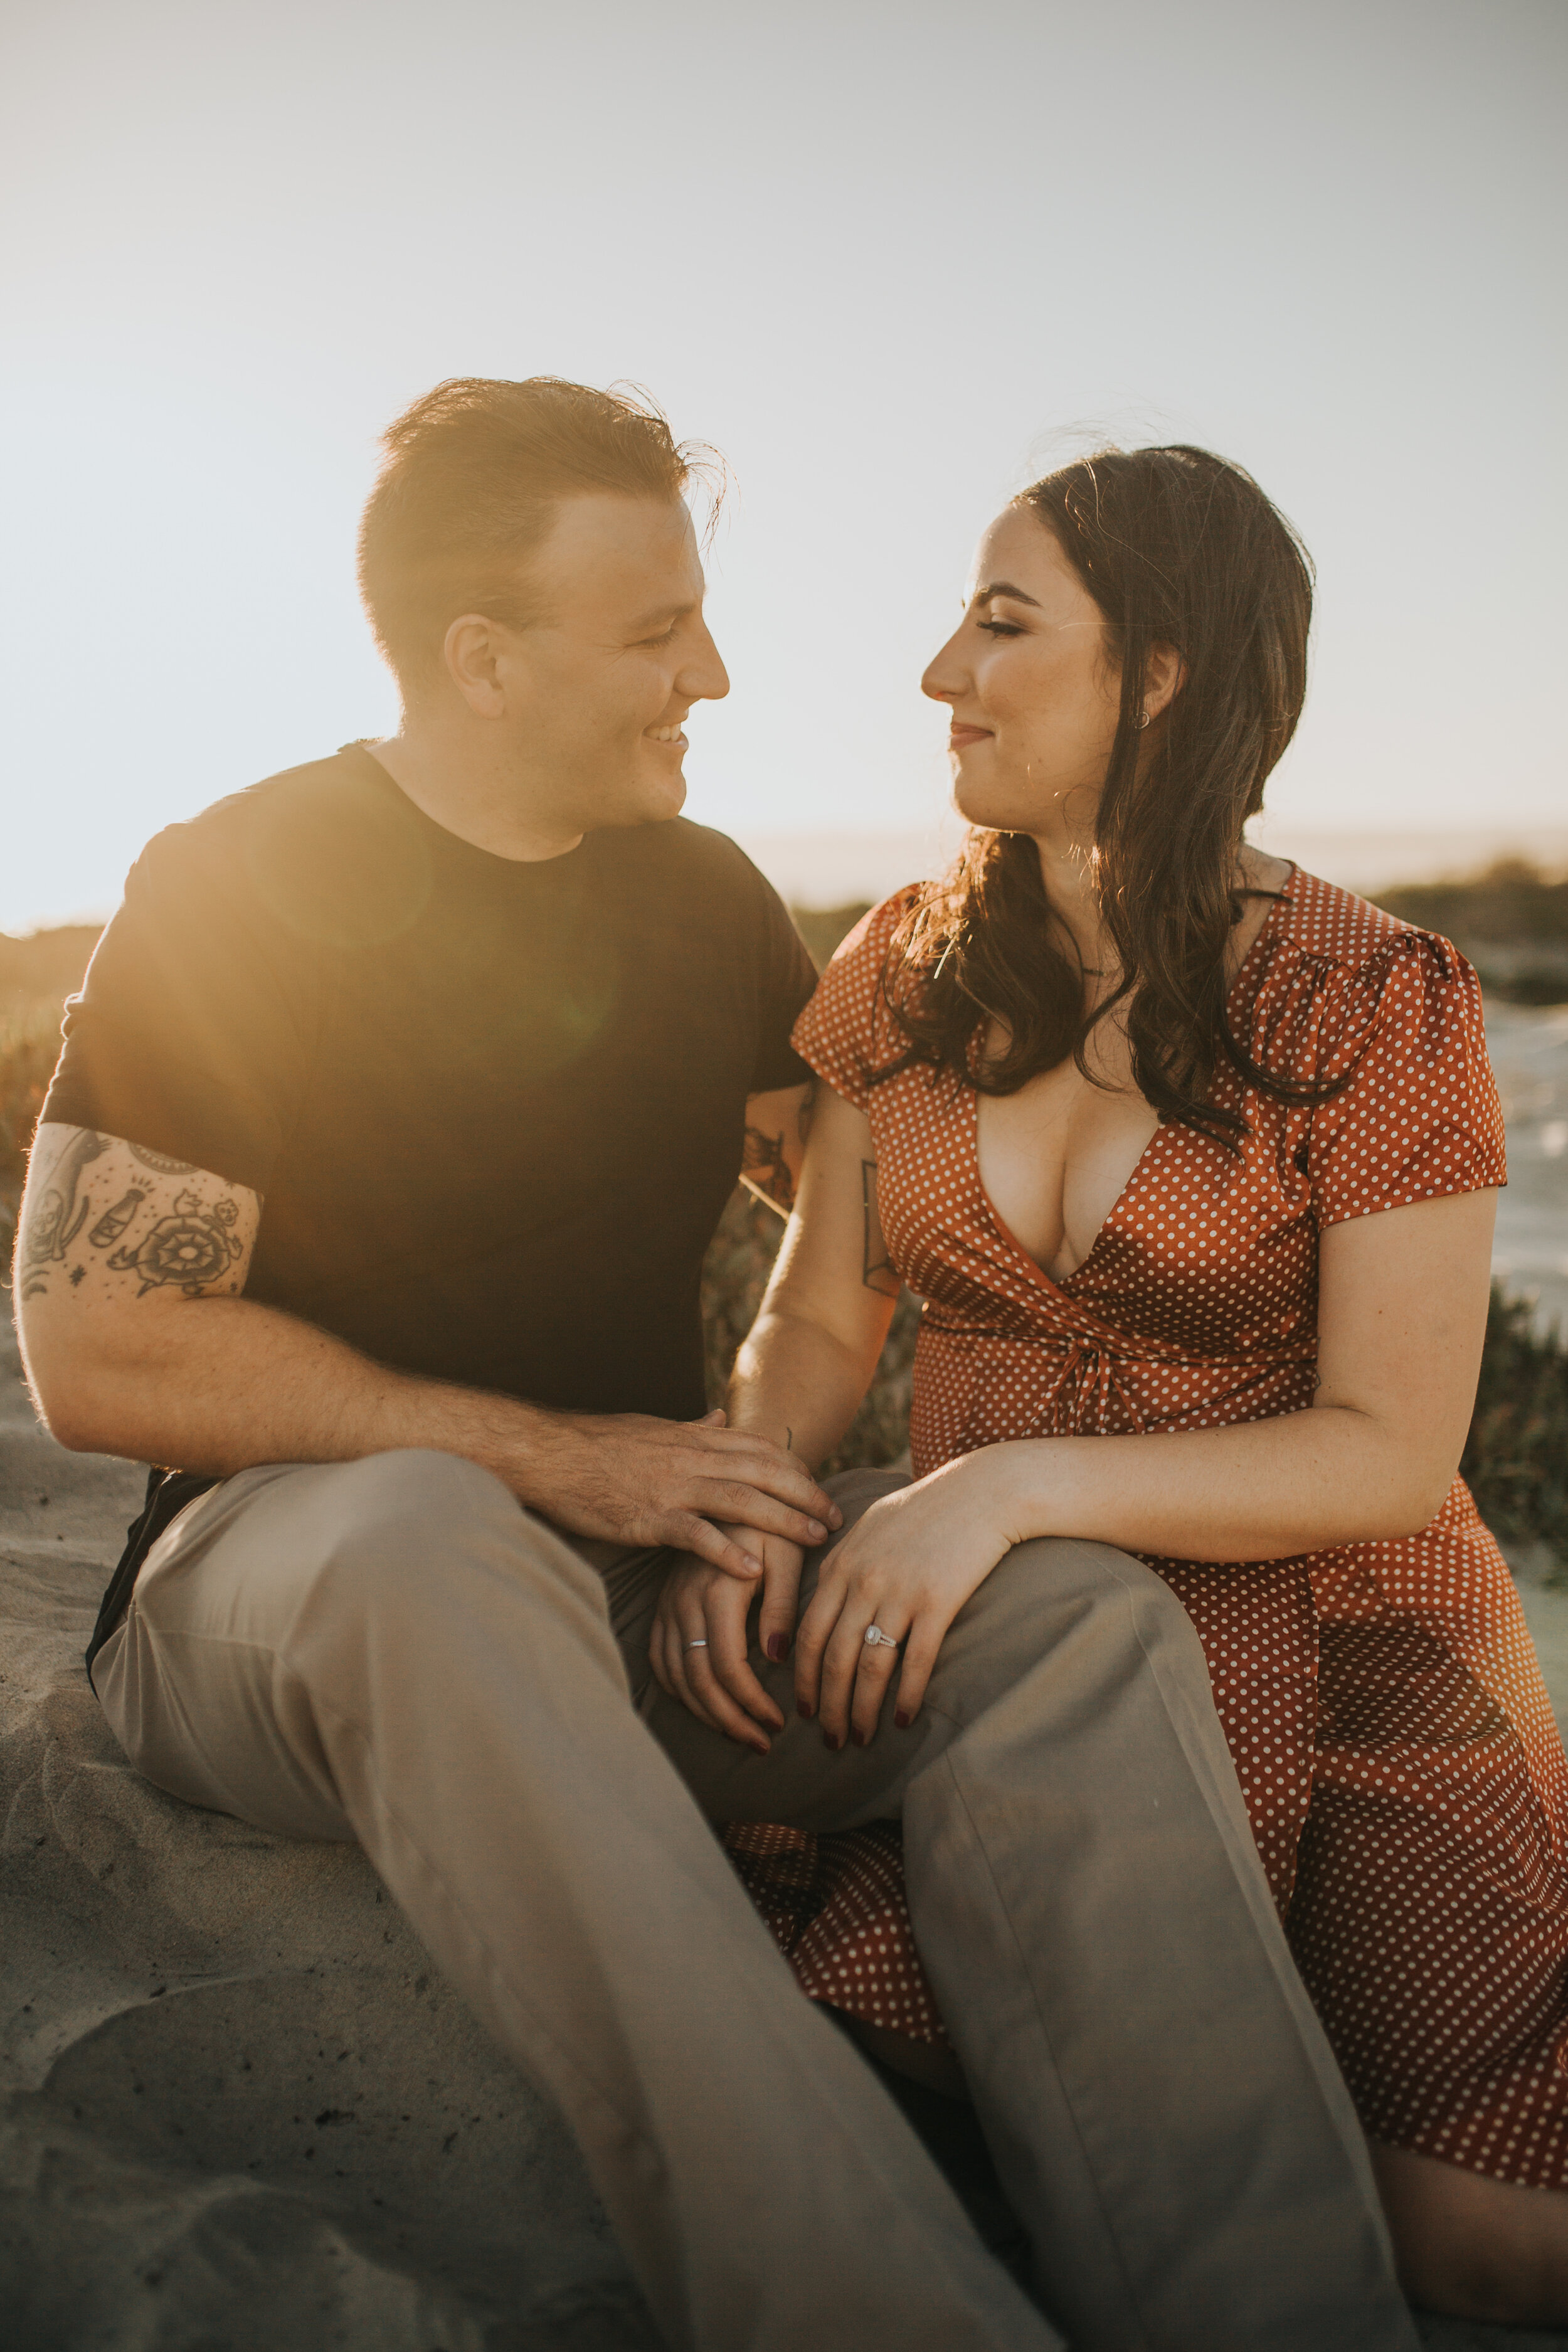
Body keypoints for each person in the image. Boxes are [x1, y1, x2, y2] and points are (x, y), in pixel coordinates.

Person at [14, 381, 1415, 2352]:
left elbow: (856, 1245)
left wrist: (830, 1488)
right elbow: (96, 1351)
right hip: (285, 1604)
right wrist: (553, 1457)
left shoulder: (699, 902)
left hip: (618, 1581)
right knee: (425, 1523)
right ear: (482, 661)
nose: (717, 672)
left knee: (1067, 1619)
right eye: (656, 631)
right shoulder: (237, 883)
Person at [652, 442, 1568, 2329]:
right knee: (981, 2111)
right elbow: (820, 1321)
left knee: (1455, 2238)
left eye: (1000, 625)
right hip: (1001, 1664)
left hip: (1348, 1664)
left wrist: (997, 1490)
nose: (936, 677)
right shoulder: (897, 969)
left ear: (1157, 670)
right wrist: (746, 1493)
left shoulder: (1369, 995)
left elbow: (1392, 1450)